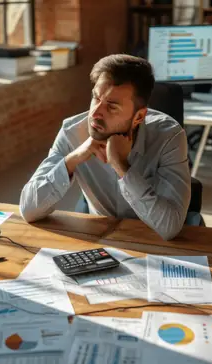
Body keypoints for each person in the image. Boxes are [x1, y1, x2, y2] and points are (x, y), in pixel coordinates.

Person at [19, 54, 191, 240]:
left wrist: (121, 166)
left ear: (139, 117)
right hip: (101, 238)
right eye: (95, 98)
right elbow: (28, 210)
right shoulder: (72, 132)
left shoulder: (169, 136)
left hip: (151, 238)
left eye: (112, 106)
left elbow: (169, 227)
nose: (95, 113)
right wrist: (74, 158)